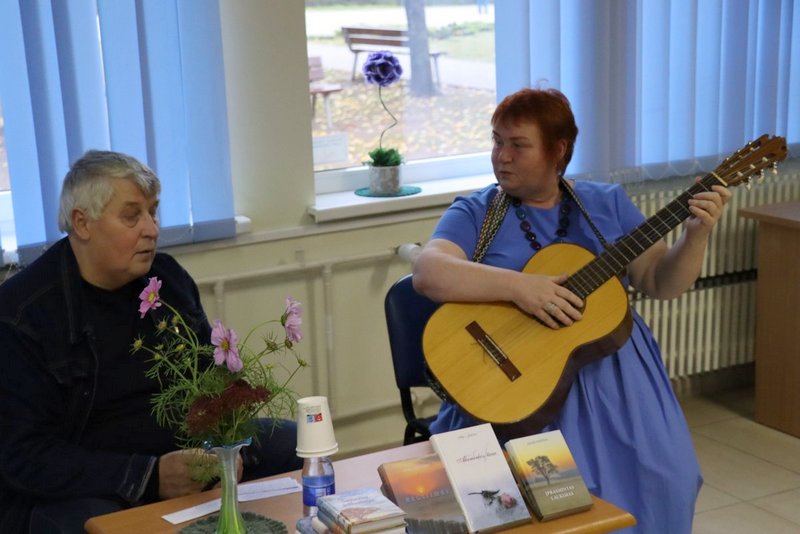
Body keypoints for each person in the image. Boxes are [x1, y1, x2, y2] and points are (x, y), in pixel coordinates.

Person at [412, 88, 731, 533]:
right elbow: (428, 272)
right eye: (497, 141)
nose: (501, 156)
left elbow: (660, 281)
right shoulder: (477, 211)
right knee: (546, 507)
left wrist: (696, 234)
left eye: (518, 145)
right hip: (516, 384)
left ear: (558, 150)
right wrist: (521, 288)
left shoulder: (607, 204)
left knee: (668, 480)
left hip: (618, 378)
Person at [0, 150, 303, 533]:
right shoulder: (22, 314)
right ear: (82, 223)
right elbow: (24, 457)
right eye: (132, 216)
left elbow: (211, 379)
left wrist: (227, 445)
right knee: (91, 522)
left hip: (186, 455)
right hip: (93, 481)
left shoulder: (167, 280)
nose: (152, 229)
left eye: (153, 212)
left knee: (295, 443)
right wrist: (149, 476)